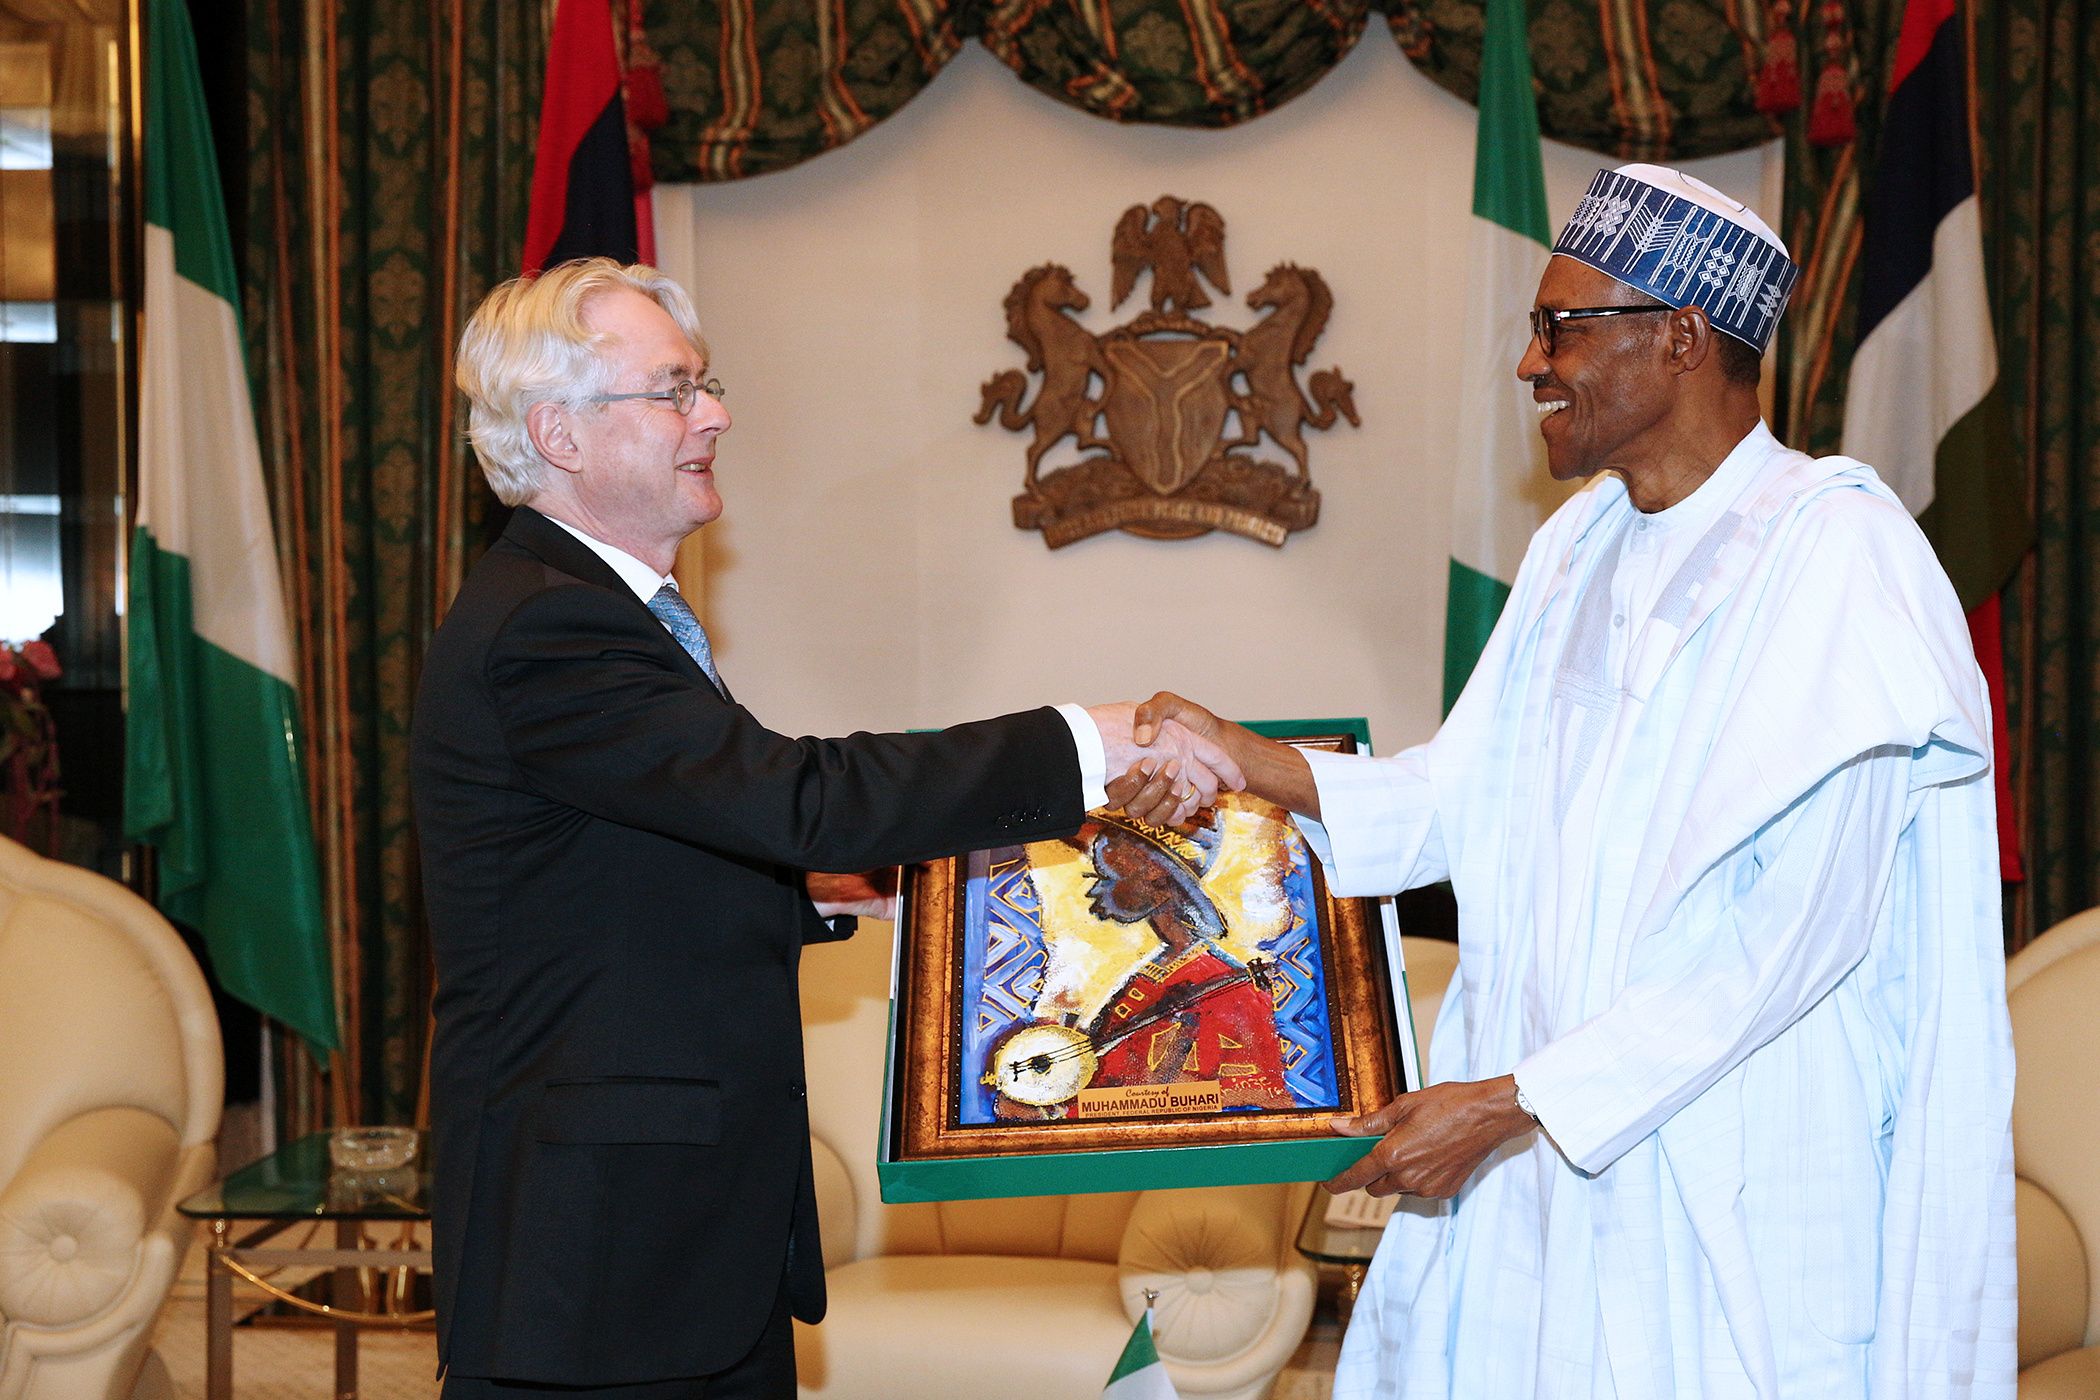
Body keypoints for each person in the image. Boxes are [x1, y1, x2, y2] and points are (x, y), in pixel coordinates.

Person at [1118, 166, 2016, 1397]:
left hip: (1727, 1171)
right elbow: (1460, 797)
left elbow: (1790, 937)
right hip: (1543, 1162)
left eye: (1560, 327)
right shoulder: (1575, 544)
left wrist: (1517, 1100)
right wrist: (1248, 761)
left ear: (1682, 338)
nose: (1532, 363)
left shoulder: (1838, 552)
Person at [409, 258, 1231, 1400]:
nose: (717, 414)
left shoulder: (599, 614)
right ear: (560, 433)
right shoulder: (550, 628)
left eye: (707, 384)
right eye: (675, 389)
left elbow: (647, 853)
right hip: (596, 1267)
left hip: (680, 1254)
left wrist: (818, 889)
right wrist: (1085, 743)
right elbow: (792, 793)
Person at [1076, 812, 1293, 1109]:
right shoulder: (1153, 969)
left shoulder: (1230, 987)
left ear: (1157, 880)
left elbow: (1266, 1096)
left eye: (1111, 875)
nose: (1097, 890)